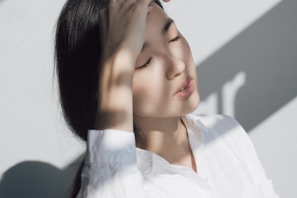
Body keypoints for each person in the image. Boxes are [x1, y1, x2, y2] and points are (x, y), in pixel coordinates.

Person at [55, 0, 279, 197]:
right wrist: (118, 59)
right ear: (104, 86)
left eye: (173, 37)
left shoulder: (226, 133)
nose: (178, 65)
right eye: (145, 61)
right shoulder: (123, 185)